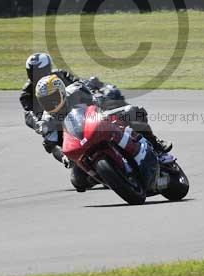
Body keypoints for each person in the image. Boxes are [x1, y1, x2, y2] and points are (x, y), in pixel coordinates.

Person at [35, 74, 170, 192]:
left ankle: (157, 147)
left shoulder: (76, 90)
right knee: (77, 181)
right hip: (79, 145)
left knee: (133, 111)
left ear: (62, 91)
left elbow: (98, 100)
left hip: (98, 123)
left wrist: (105, 108)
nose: (51, 103)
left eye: (53, 97)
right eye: (45, 101)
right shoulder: (47, 119)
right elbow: (52, 145)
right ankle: (108, 176)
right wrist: (63, 156)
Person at [19, 53, 78, 132]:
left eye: (38, 73)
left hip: (74, 113)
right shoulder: (26, 93)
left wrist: (92, 85)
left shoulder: (61, 75)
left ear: (47, 69)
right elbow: (29, 114)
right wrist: (38, 124)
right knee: (49, 141)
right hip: (52, 124)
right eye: (31, 72)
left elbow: (78, 83)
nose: (35, 76)